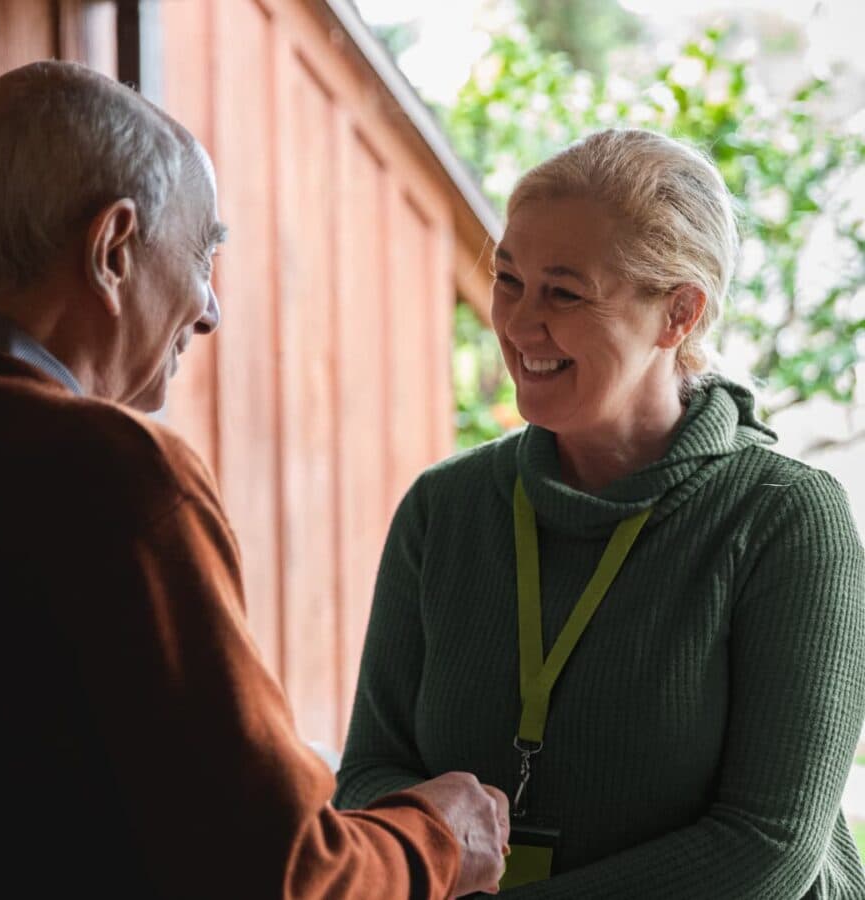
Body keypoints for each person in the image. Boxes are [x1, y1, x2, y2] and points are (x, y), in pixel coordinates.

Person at [0, 61, 510, 898]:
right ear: (113, 247)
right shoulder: (111, 476)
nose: (210, 308)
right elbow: (281, 873)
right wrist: (438, 838)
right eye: (205, 255)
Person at [334, 128, 865, 898]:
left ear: (678, 314)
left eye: (564, 292)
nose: (517, 326)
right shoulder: (442, 510)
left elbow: (769, 850)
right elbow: (369, 776)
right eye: (509, 279)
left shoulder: (784, 520)